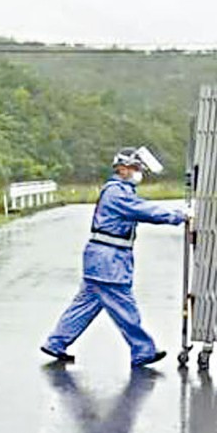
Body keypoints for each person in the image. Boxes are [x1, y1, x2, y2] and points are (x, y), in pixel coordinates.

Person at [41, 147, 187, 368]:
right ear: (122, 168)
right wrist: (178, 216)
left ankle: (56, 343)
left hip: (102, 258)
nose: (138, 172)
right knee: (123, 304)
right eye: (135, 168)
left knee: (86, 304)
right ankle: (143, 350)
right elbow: (143, 210)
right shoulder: (117, 192)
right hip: (109, 260)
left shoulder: (120, 190)